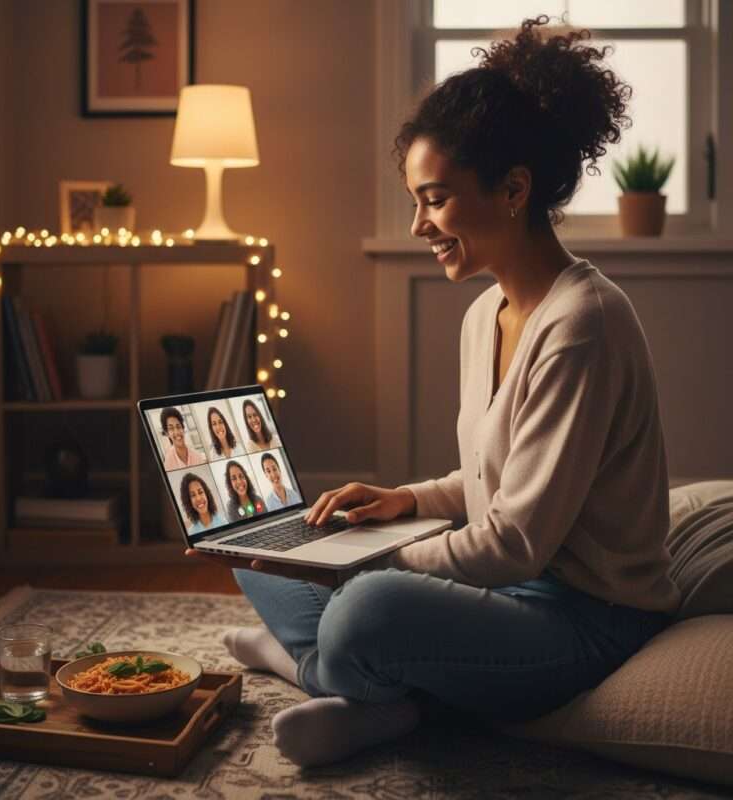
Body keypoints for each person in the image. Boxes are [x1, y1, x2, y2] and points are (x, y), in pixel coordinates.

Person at [185, 16, 680, 768]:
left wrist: (368, 565)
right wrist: (403, 503)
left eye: (436, 199)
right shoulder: (487, 312)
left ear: (514, 189)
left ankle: (319, 673)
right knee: (263, 550)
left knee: (367, 606)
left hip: (585, 618)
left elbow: (517, 541)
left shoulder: (585, 324)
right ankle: (365, 689)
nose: (419, 223)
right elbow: (494, 480)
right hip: (513, 591)